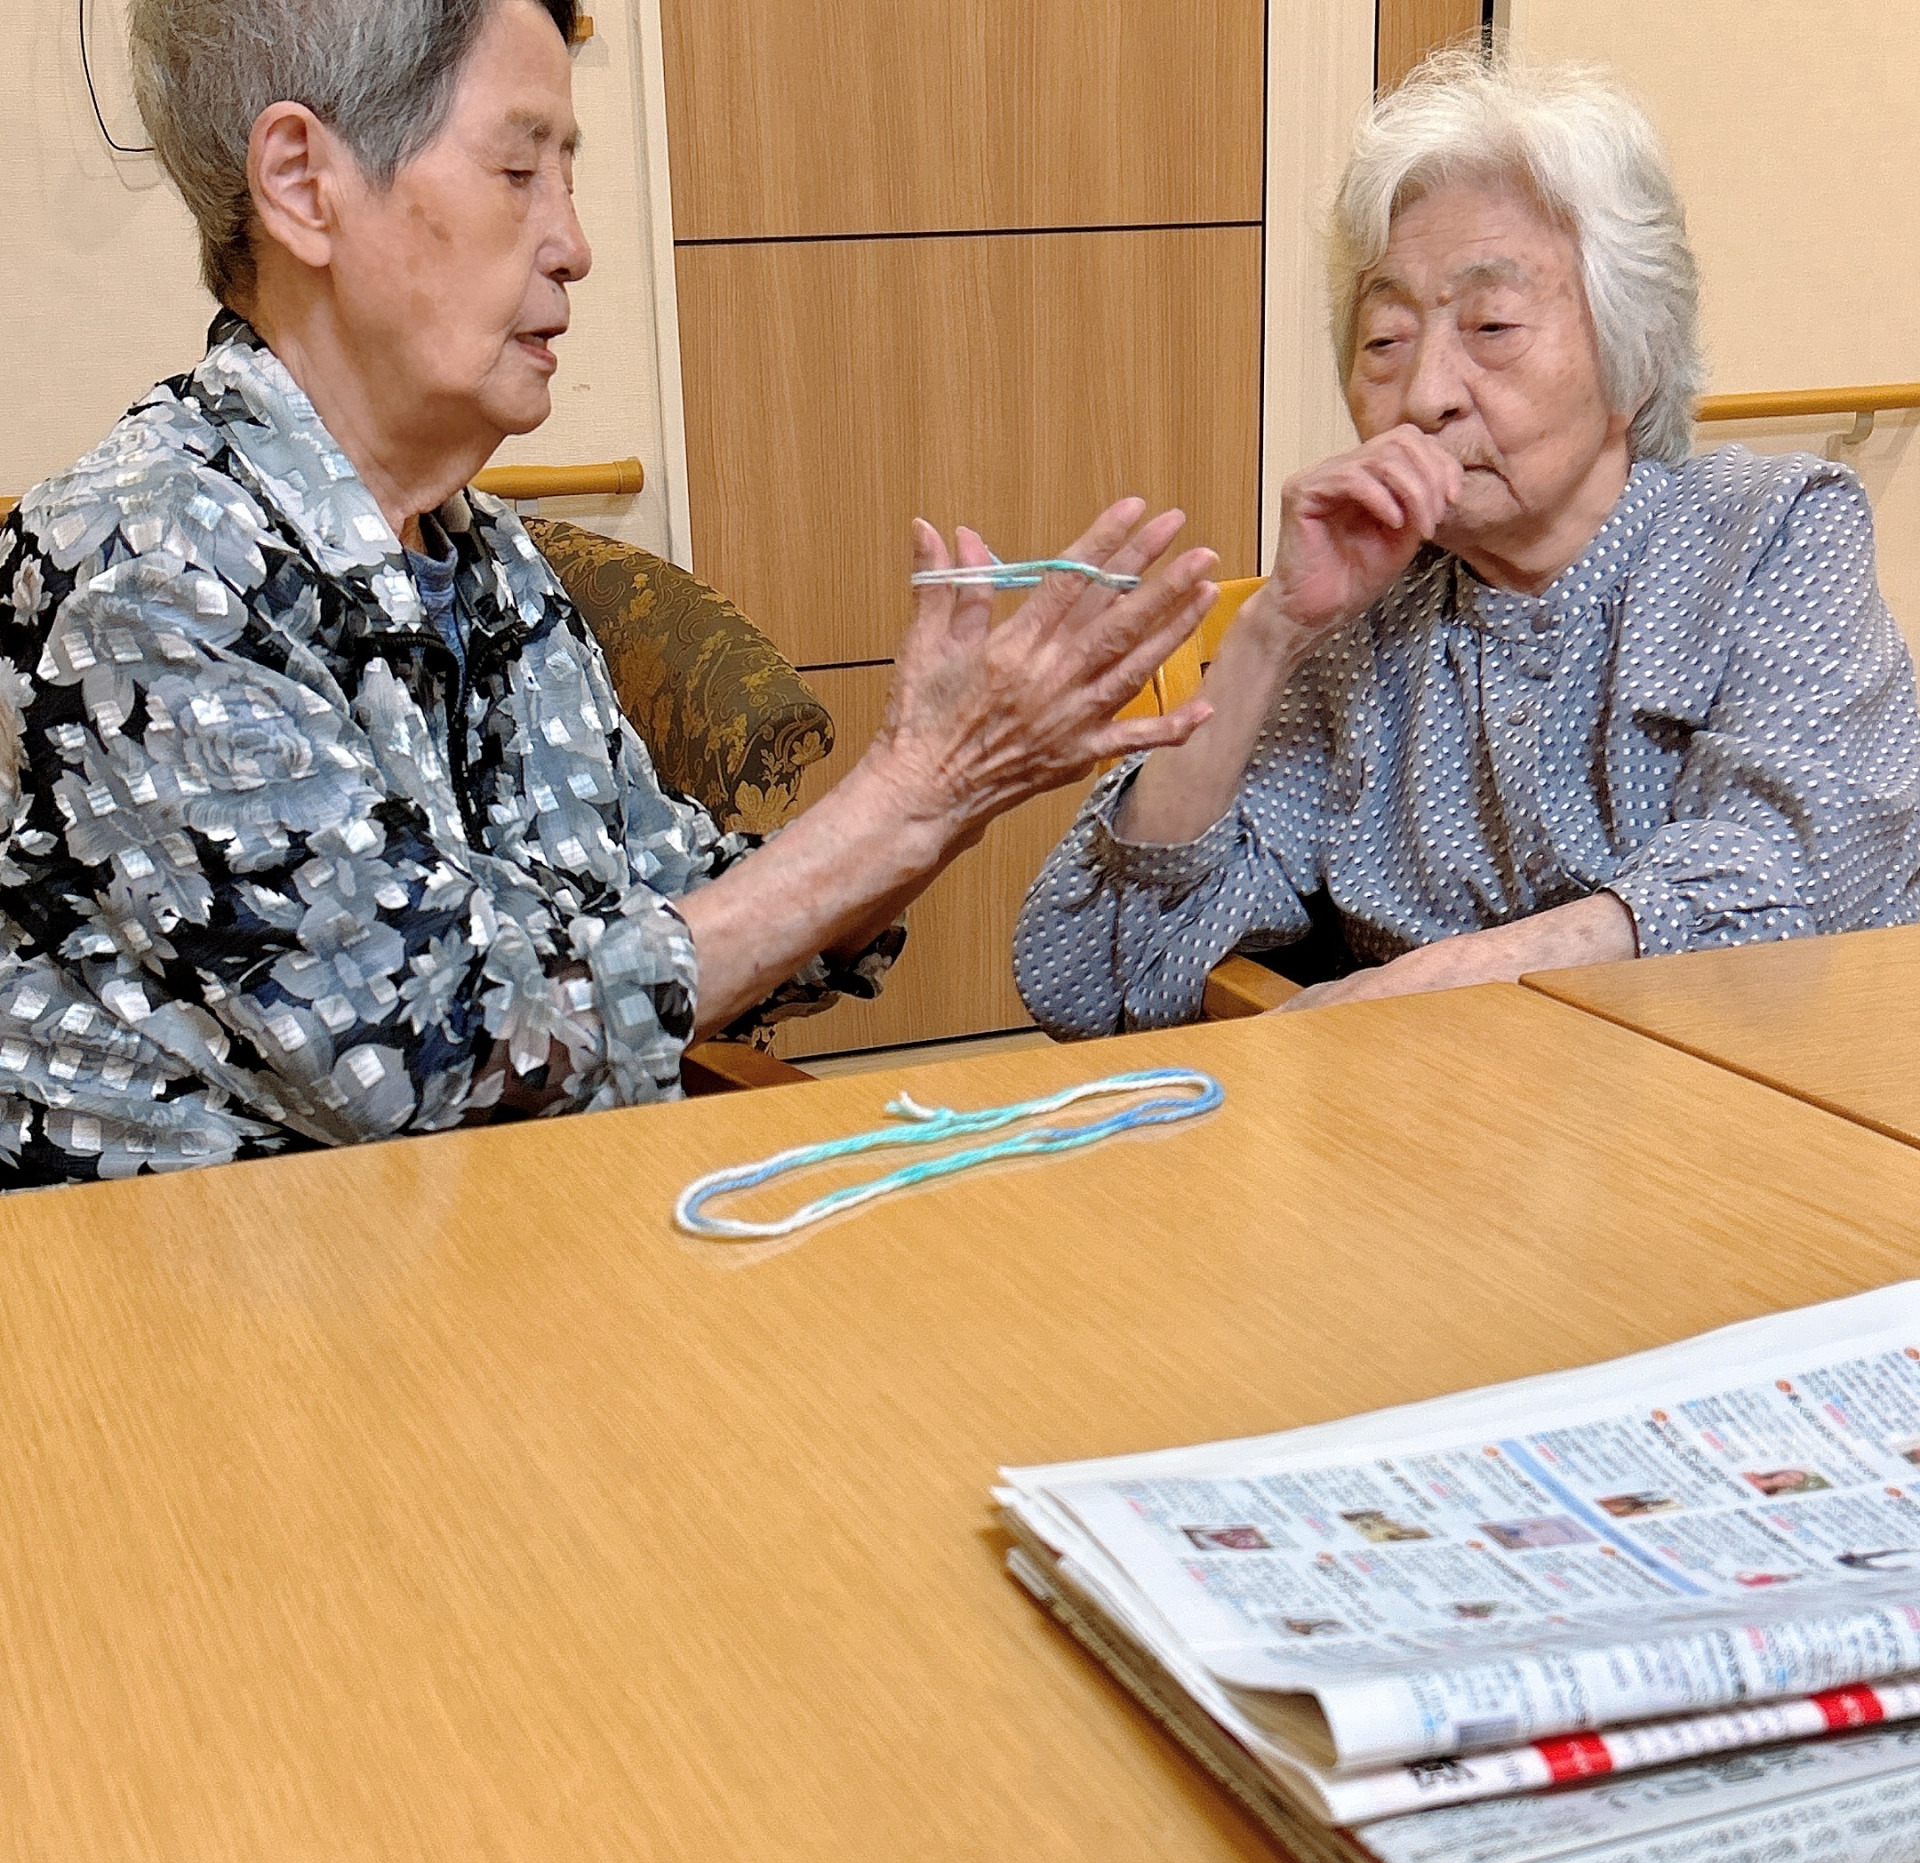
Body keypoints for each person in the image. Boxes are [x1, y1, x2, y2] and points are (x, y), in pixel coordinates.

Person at [0, 0, 1216, 1186]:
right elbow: (435, 1056)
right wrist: (905, 799)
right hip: (200, 1288)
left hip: (505, 1229)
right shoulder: (141, 567)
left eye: (568, 176)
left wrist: (946, 795)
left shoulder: (483, 555)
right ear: (304, 184)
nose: (573, 244)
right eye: (518, 171)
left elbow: (670, 906)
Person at [1013, 52, 1920, 1038]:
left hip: (1745, 1101)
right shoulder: (1365, 628)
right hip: (1436, 1116)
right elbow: (1091, 977)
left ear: (1636, 362)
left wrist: (1420, 989)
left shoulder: (1771, 536)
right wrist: (1273, 632)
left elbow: (1788, 880)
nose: (1426, 394)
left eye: (1492, 325)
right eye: (1385, 340)